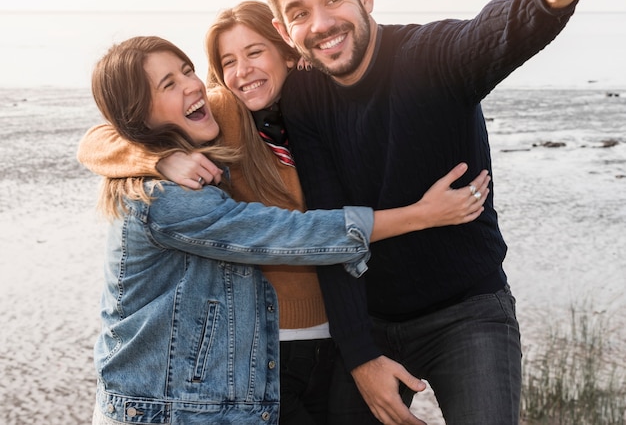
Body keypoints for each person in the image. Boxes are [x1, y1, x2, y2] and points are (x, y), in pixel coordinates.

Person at [254, 0, 588, 425]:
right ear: (284, 31)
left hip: (469, 313)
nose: (321, 23)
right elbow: (330, 231)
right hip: (370, 320)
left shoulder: (428, 56)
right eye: (300, 13)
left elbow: (487, 35)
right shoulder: (304, 98)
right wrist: (362, 357)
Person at [82, 34, 490, 425]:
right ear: (139, 117)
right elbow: (292, 235)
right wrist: (422, 214)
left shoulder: (224, 139)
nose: (193, 86)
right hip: (164, 410)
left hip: (231, 391)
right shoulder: (167, 197)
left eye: (188, 71)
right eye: (169, 84)